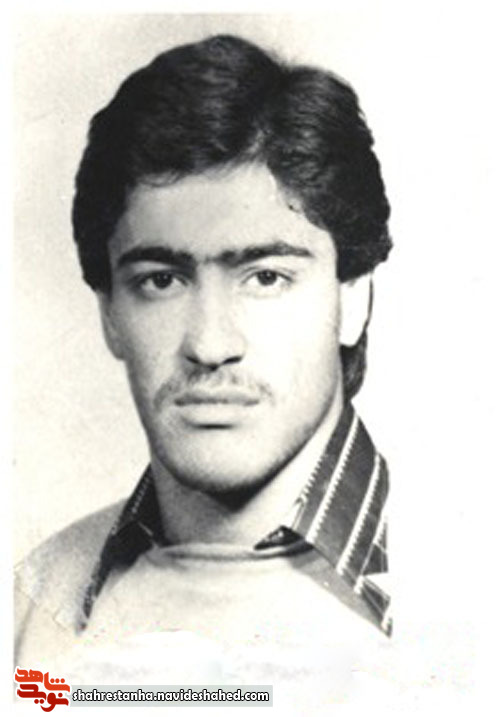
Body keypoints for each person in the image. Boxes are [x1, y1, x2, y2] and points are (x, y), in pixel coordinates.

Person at [15, 33, 392, 693]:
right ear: (109, 313)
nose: (210, 344)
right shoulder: (33, 600)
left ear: (354, 297)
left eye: (266, 277)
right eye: (161, 280)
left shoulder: (472, 575)